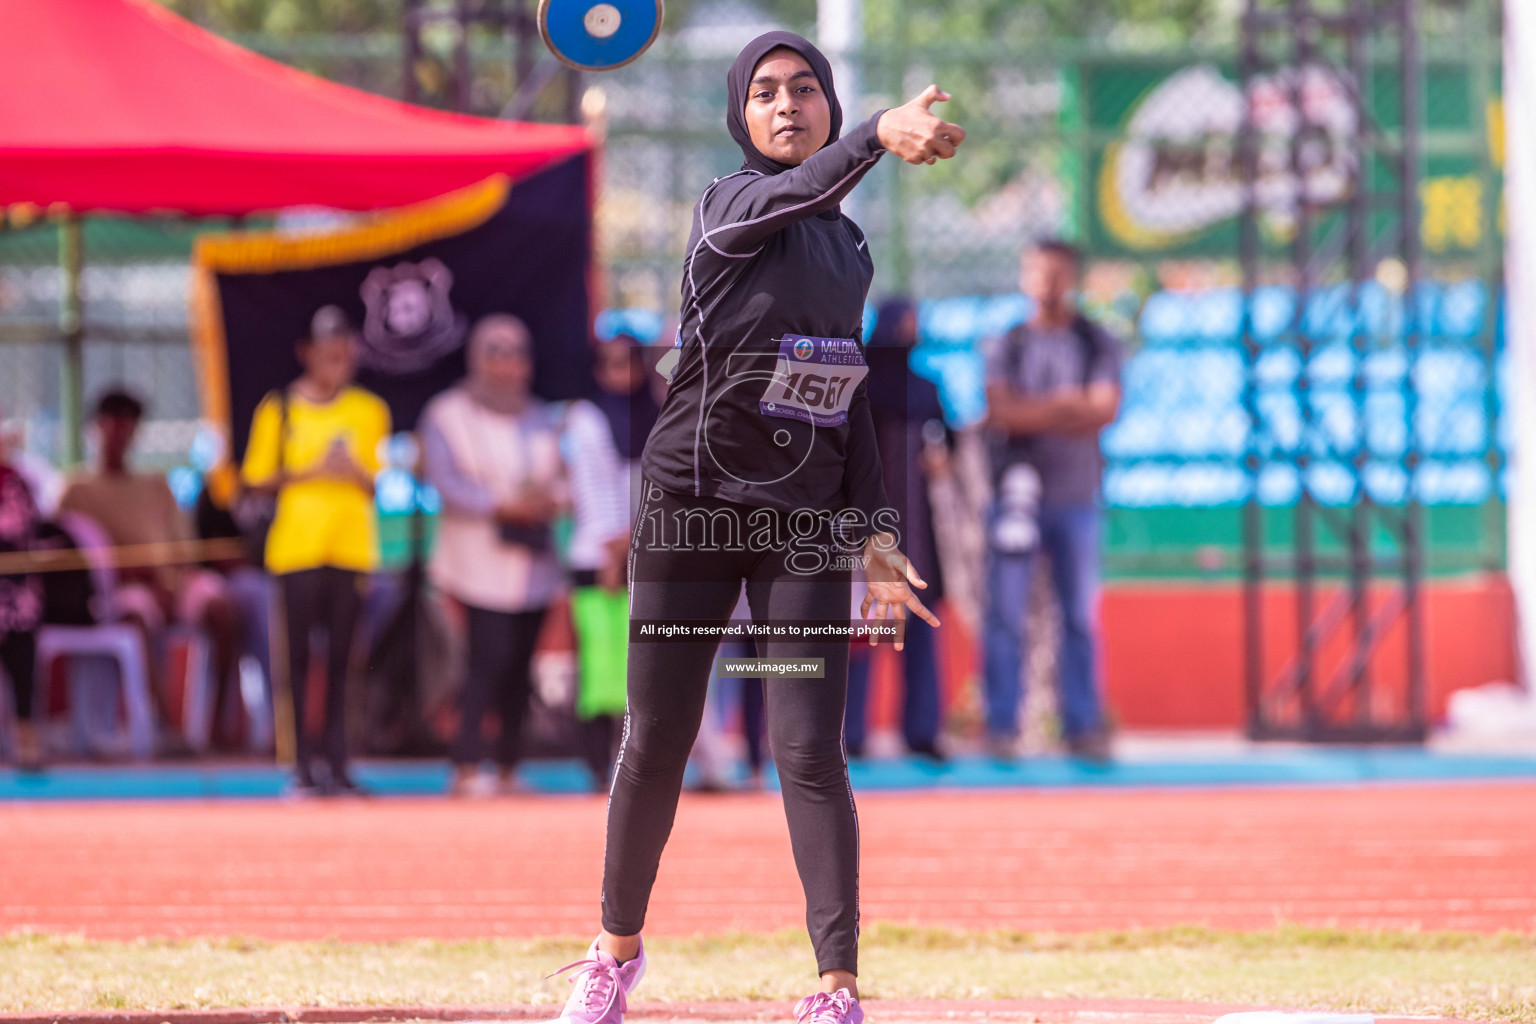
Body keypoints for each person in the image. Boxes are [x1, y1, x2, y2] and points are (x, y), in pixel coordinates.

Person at [542, 31, 962, 1024]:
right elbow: (805, 188)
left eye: (806, 89)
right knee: (659, 738)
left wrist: (875, 535)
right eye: (767, 92)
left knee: (810, 749)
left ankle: (836, 990)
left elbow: (844, 395)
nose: (787, 104)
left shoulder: (848, 248)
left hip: (801, 521)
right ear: (742, 115)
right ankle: (614, 955)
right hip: (690, 508)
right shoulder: (728, 207)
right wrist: (877, 132)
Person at [420, 315, 589, 796]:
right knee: (486, 660)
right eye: (497, 353)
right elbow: (446, 482)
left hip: (533, 563)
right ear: (477, 357)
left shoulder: (540, 416)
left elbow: (563, 477)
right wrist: (501, 505)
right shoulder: (447, 413)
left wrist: (549, 499)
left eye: (517, 354)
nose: (507, 365)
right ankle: (466, 764)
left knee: (520, 668)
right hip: (476, 563)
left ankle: (510, 767)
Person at [981, 238, 1124, 763]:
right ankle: (1001, 726)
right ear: (1025, 278)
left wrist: (1034, 410)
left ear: (1074, 277)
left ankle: (1082, 725)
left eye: (1058, 273)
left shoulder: (1095, 341)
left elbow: (1105, 409)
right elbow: (1002, 413)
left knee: (1079, 618)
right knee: (1006, 616)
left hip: (1076, 498)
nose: (1047, 283)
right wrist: (1069, 406)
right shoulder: (1007, 343)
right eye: (1038, 273)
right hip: (1014, 500)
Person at [242, 305, 390, 796]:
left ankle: (341, 762)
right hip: (296, 549)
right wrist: (310, 470)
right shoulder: (279, 407)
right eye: (328, 352)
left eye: (345, 352)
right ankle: (300, 764)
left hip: (351, 549)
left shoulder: (369, 410)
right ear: (307, 353)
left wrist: (350, 470)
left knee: (347, 662)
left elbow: (376, 480)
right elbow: (256, 480)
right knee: (297, 663)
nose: (337, 361)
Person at [59, 388, 242, 749]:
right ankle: (169, 727)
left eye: (128, 426)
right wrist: (125, 572)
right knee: (136, 617)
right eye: (112, 425)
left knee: (222, 610)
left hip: (172, 581)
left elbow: (184, 547)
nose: (120, 435)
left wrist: (172, 580)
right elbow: (69, 553)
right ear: (96, 428)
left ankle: (215, 725)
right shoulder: (76, 489)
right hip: (117, 590)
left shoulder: (157, 484)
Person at [845, 298, 950, 762]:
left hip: (914, 531)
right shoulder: (856, 389)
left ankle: (921, 729)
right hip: (866, 531)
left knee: (917, 624)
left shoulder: (925, 389)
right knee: (860, 631)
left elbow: (949, 446)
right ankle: (850, 733)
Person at [0, 448, 44, 770]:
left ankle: (25, 728)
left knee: (20, 626)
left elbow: (19, 532)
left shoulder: (16, 484)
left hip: (14, 595)